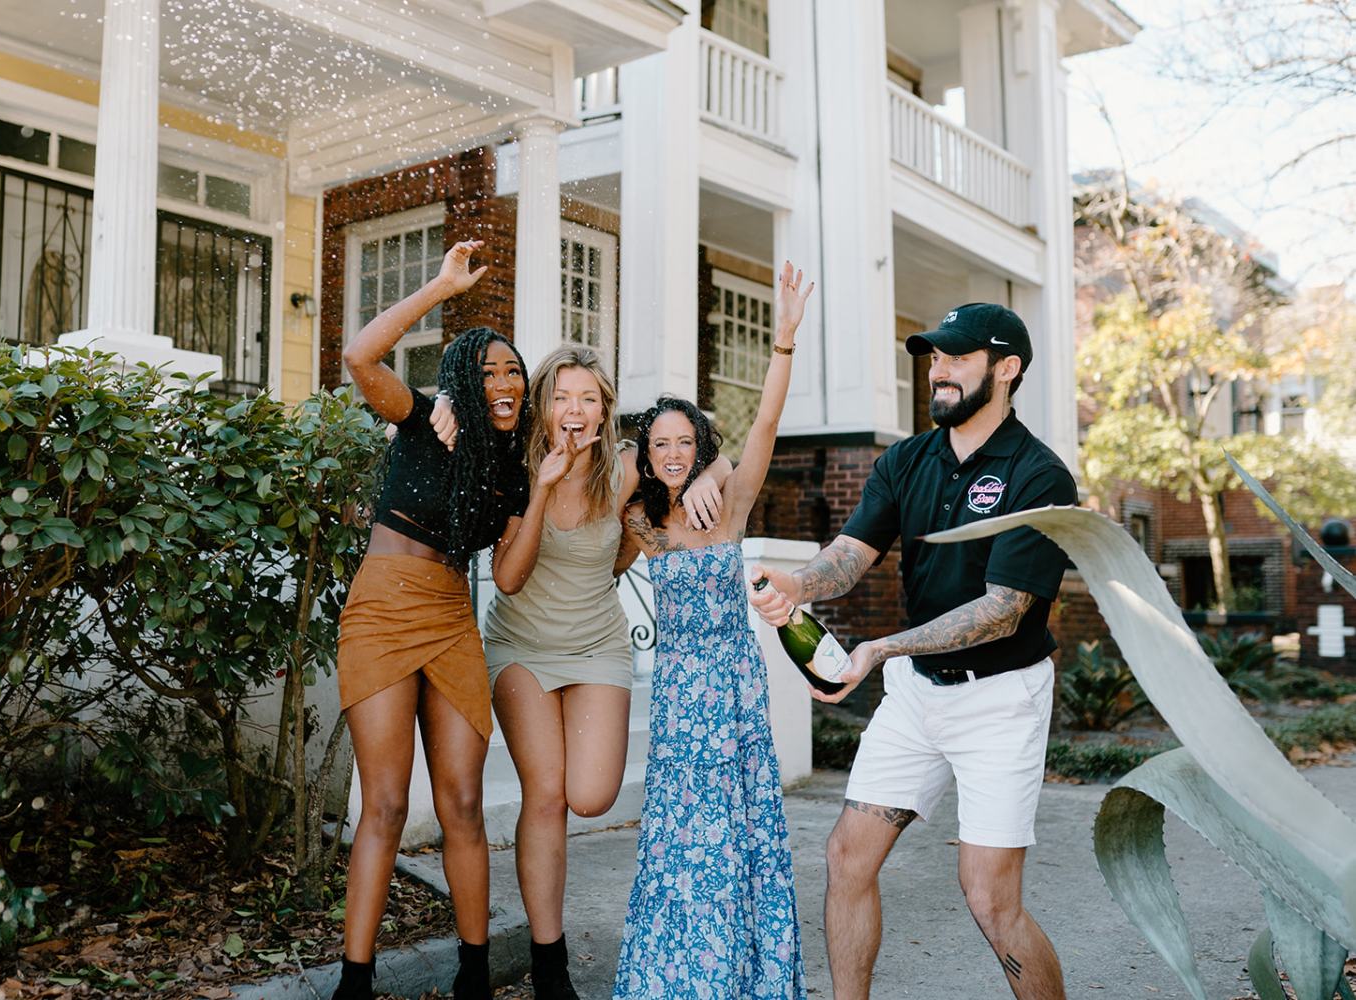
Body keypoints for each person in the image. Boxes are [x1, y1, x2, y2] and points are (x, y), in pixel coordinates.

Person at [748, 303, 1078, 1000]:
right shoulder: (905, 460)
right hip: (916, 695)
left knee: (990, 898)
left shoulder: (1039, 477)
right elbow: (851, 554)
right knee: (846, 857)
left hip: (1001, 699)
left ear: (1006, 368)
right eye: (935, 357)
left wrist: (879, 649)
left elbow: (1002, 610)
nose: (939, 369)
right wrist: (799, 582)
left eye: (957, 357)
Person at [333, 240, 587, 1000]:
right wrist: (440, 287)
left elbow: (507, 579)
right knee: (384, 802)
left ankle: (473, 971)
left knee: (465, 803)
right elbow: (357, 355)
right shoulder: (421, 420)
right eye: (487, 371)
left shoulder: (512, 471)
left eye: (514, 371)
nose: (504, 383)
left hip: (450, 616)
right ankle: (355, 978)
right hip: (381, 607)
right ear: (460, 383)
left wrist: (542, 491)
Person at [453, 344, 727, 998]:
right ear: (543, 407)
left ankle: (550, 952)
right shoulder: (518, 471)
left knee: (592, 796)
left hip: (599, 643)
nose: (573, 411)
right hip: (521, 645)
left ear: (604, 410)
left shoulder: (627, 468)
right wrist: (544, 486)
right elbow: (511, 582)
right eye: (560, 397)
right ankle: (551, 962)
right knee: (545, 795)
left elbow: (691, 449)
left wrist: (714, 472)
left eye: (587, 398)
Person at [612, 262, 814, 1000]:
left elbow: (761, 426)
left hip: (731, 694)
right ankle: (674, 979)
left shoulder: (726, 511)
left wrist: (783, 341)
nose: (670, 453)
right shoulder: (640, 524)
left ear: (697, 446)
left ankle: (738, 978)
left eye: (682, 443)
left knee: (735, 835)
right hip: (676, 700)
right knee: (677, 840)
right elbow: (594, 519)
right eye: (657, 444)